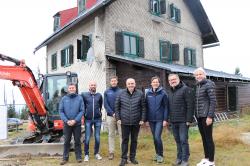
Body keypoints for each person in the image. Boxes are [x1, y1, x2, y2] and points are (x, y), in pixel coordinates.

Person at [115, 78, 146, 166]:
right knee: (125, 140)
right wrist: (118, 118)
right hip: (124, 121)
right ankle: (124, 158)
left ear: (135, 84)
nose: (131, 85)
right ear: (126, 84)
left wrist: (142, 119)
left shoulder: (140, 93)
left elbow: (143, 107)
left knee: (134, 140)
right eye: (129, 83)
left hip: (136, 122)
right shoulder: (121, 93)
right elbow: (117, 107)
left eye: (132, 83)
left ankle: (132, 157)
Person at [168, 74, 194, 166]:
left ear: (178, 79)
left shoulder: (185, 89)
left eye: (174, 79)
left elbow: (190, 105)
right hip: (173, 120)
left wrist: (189, 119)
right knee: (178, 140)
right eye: (171, 80)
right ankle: (179, 158)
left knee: (183, 140)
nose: (172, 81)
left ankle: (185, 160)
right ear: (169, 82)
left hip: (183, 120)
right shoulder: (170, 91)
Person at [193, 67, 216, 166]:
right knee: (204, 138)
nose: (198, 76)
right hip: (199, 116)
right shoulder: (198, 86)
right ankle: (206, 158)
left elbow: (213, 101)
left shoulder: (209, 84)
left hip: (206, 116)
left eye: (200, 74)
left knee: (208, 138)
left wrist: (210, 116)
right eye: (197, 75)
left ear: (204, 75)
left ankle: (211, 161)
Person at [59, 83, 84, 165]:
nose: (72, 89)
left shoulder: (79, 98)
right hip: (67, 124)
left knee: (77, 141)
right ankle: (65, 158)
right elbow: (61, 111)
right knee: (66, 141)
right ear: (68, 89)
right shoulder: (64, 99)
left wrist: (75, 120)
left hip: (77, 124)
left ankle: (79, 157)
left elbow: (82, 111)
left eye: (73, 88)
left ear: (75, 89)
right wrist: (66, 121)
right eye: (70, 88)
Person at [145, 76, 168, 163]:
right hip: (151, 120)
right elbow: (146, 107)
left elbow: (166, 107)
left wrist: (165, 119)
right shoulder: (148, 93)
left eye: (157, 82)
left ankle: (161, 155)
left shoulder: (163, 93)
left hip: (160, 119)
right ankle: (157, 154)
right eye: (153, 82)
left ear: (159, 83)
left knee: (157, 137)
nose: (155, 83)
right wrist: (146, 119)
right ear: (151, 83)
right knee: (154, 138)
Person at [81, 81, 103, 162]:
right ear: (89, 86)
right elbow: (83, 106)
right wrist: (84, 115)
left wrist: (99, 113)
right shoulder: (84, 95)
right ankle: (86, 154)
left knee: (97, 137)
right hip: (88, 119)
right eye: (91, 85)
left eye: (94, 85)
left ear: (96, 86)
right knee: (87, 138)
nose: (93, 86)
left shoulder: (99, 95)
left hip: (97, 119)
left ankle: (96, 153)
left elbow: (100, 106)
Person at [104, 76, 122, 160]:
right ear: (110, 82)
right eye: (112, 81)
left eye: (115, 81)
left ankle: (124, 152)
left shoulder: (122, 91)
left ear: (117, 82)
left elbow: (123, 103)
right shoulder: (107, 92)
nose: (114, 82)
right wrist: (112, 113)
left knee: (122, 135)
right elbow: (106, 104)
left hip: (121, 117)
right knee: (111, 134)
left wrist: (118, 113)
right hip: (110, 116)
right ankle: (111, 152)